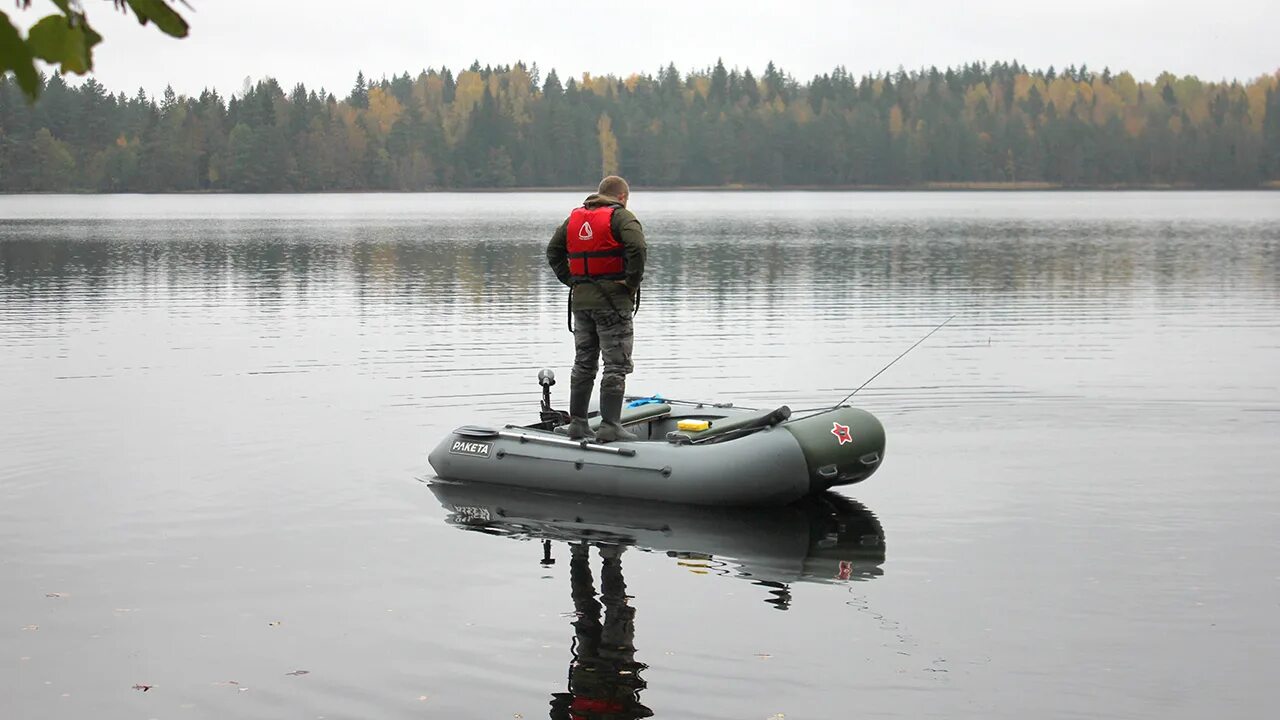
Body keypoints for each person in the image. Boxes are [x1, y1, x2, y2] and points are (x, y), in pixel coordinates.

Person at [546, 175, 646, 442]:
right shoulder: (622, 217)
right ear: (622, 197)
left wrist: (573, 281)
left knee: (584, 361)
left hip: (582, 302)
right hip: (613, 302)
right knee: (616, 364)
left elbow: (553, 251)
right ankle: (610, 425)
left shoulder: (574, 219)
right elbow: (638, 247)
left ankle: (578, 423)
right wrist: (631, 284)